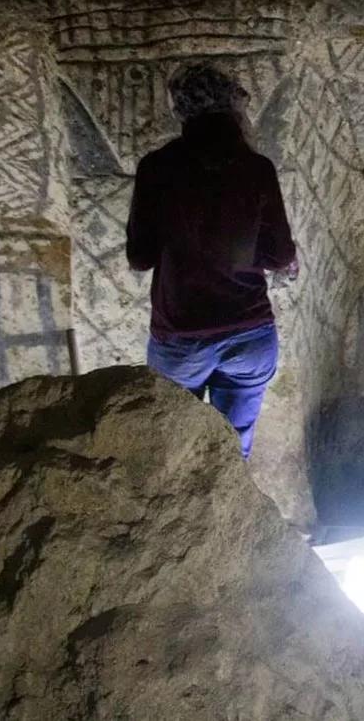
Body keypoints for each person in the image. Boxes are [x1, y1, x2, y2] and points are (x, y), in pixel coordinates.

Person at [126, 64, 297, 460]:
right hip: (250, 334)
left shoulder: (157, 167)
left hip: (181, 335)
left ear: (182, 110)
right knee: (232, 455)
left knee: (174, 453)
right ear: (232, 108)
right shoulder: (256, 168)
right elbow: (281, 255)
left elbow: (140, 257)